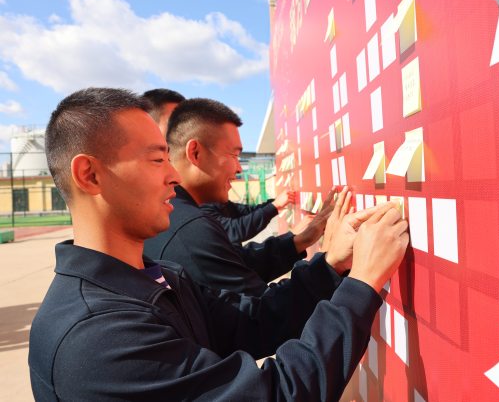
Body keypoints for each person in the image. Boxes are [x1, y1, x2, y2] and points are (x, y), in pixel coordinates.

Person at [28, 88, 408, 401]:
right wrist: (362, 284)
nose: (174, 175)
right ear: (90, 175)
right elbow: (276, 394)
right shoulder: (98, 338)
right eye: (157, 159)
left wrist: (330, 266)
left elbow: (255, 321)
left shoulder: (160, 279)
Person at [144, 98, 338, 296]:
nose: (238, 168)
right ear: (195, 153)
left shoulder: (175, 212)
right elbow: (262, 315)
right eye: (234, 155)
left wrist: (297, 241)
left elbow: (233, 262)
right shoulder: (189, 230)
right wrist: (330, 264)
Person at [143, 87, 294, 244]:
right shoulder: (180, 220)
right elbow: (234, 233)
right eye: (174, 121)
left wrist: (296, 241)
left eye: (183, 119)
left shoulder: (203, 198)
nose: (238, 169)